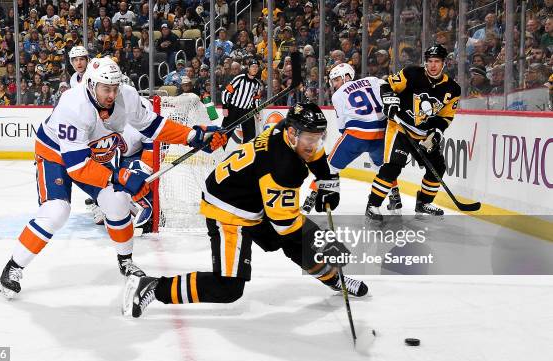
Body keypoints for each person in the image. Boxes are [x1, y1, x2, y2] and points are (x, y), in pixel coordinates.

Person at [0, 57, 227, 299]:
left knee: (118, 202)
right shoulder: (72, 106)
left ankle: (126, 261)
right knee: (56, 211)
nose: (112, 94)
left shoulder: (125, 95)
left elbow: (151, 125)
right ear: (90, 85)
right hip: (56, 155)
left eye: (115, 88)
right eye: (106, 88)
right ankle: (13, 267)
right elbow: (77, 166)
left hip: (94, 154)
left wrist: (192, 136)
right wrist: (121, 175)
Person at [123, 102, 369, 318]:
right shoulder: (283, 167)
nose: (314, 144)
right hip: (229, 210)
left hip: (251, 197)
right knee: (228, 287)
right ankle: (152, 286)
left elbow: (314, 154)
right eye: (310, 138)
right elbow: (286, 225)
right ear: (293, 133)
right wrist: (326, 241)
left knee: (297, 245)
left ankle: (335, 279)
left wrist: (327, 181)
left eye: (318, 137)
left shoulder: (286, 130)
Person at [365, 44, 461, 221]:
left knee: (438, 167)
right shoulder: (412, 73)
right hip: (400, 128)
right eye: (430, 61)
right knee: (392, 167)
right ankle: (373, 205)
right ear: (425, 62)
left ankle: (423, 202)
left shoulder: (453, 89)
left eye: (437, 61)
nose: (433, 65)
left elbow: (445, 117)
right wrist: (389, 102)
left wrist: (437, 132)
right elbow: (387, 85)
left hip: (423, 134)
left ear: (444, 63)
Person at [304, 63, 402, 214]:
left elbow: (342, 126)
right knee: (384, 169)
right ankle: (395, 198)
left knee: (328, 166)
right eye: (333, 81)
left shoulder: (337, 95)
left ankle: (310, 200)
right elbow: (389, 88)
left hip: (356, 134)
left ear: (347, 76)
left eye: (336, 79)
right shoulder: (373, 80)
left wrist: (350, 137)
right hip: (381, 133)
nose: (335, 84)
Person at [221, 59, 262, 146]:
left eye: (256, 67)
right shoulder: (240, 78)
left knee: (250, 137)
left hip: (247, 111)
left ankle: (246, 156)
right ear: (248, 68)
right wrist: (225, 107)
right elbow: (226, 92)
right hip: (233, 109)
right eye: (253, 67)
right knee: (224, 134)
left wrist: (257, 112)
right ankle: (217, 154)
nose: (255, 69)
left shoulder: (257, 84)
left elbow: (256, 99)